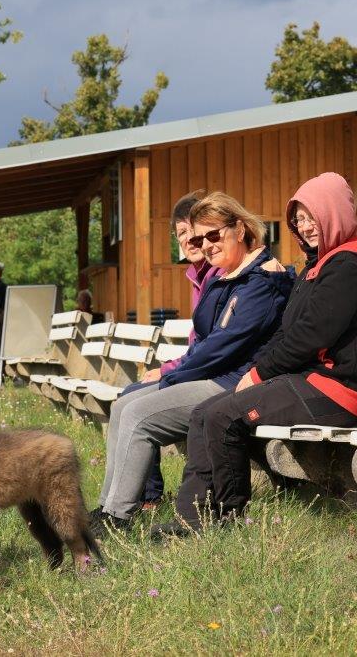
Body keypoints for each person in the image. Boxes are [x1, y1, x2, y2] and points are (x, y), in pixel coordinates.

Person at [155, 172, 357, 538]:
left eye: (312, 217)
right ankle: (191, 518)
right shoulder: (318, 266)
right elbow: (287, 331)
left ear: (334, 213)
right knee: (204, 413)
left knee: (223, 417)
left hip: (340, 390)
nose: (305, 227)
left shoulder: (350, 265)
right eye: (299, 219)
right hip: (311, 381)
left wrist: (260, 373)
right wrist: (259, 369)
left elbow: (311, 336)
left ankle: (227, 521)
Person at [90, 192, 292, 536]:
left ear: (240, 229)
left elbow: (220, 347)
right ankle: (107, 506)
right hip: (216, 375)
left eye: (213, 235)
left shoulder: (260, 281)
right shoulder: (230, 276)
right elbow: (207, 332)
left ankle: (118, 518)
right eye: (198, 239)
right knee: (124, 404)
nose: (206, 245)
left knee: (139, 416)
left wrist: (171, 377)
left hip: (236, 383)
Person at [130, 189, 220, 509]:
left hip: (215, 376)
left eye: (195, 231)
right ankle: (142, 496)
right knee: (128, 394)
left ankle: (148, 498)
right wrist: (172, 367)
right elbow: (199, 344)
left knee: (135, 402)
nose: (190, 240)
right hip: (199, 367)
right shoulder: (197, 276)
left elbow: (213, 347)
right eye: (182, 233)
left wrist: (169, 370)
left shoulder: (218, 274)